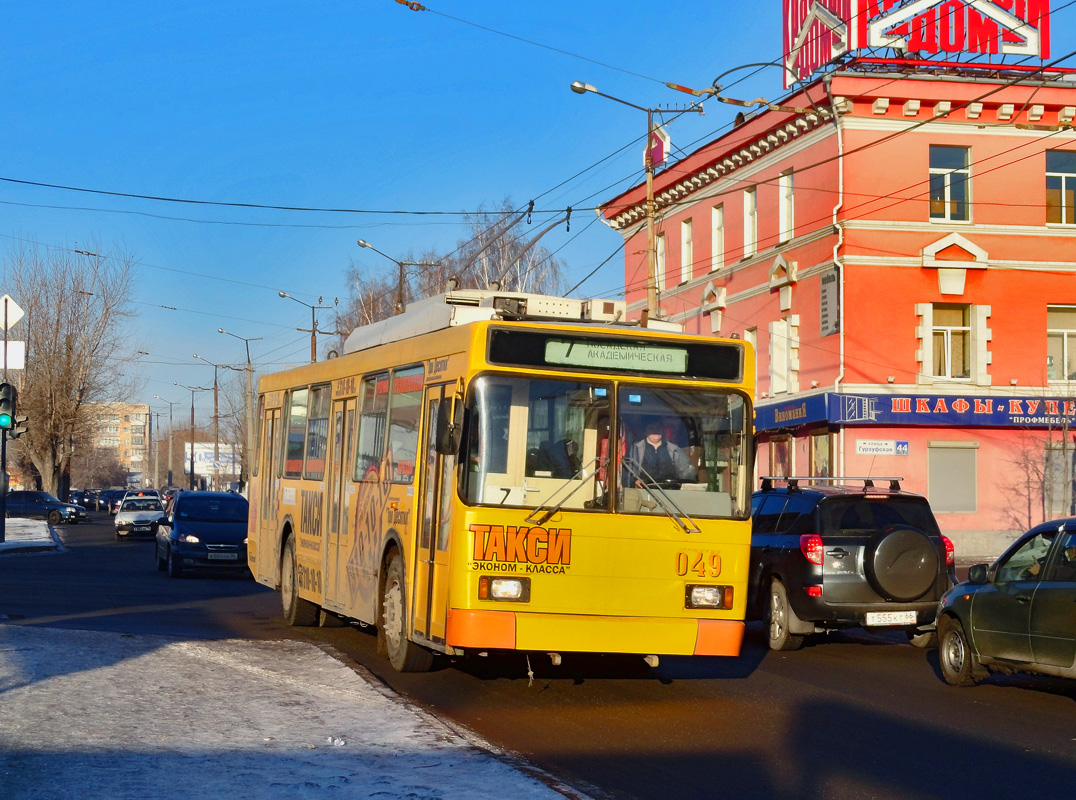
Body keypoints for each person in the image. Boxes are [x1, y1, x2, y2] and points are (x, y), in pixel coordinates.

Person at [626, 419, 695, 487]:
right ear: (645, 432)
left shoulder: (675, 450)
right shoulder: (636, 449)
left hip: (671, 490)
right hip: (644, 490)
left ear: (662, 430)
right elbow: (629, 475)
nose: (655, 430)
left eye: (658, 427)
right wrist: (635, 481)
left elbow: (686, 472)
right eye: (651, 428)